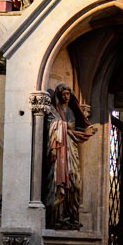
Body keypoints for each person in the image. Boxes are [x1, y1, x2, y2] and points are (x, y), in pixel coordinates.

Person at [45, 84, 96, 229]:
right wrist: (65, 126)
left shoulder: (72, 111)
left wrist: (83, 131)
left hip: (71, 150)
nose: (66, 97)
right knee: (60, 183)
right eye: (63, 94)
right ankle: (58, 217)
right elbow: (54, 126)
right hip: (60, 152)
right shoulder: (55, 111)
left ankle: (71, 216)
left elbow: (75, 128)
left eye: (68, 94)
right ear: (59, 96)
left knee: (75, 182)